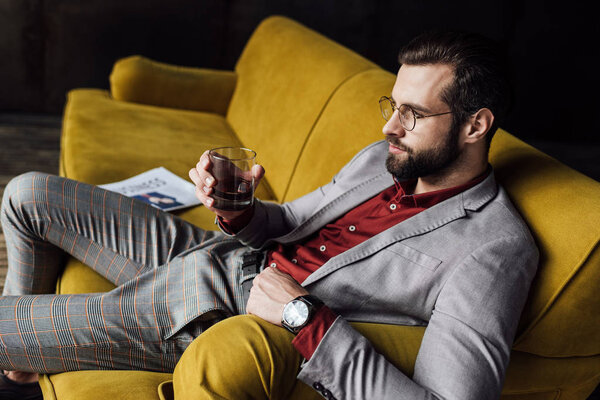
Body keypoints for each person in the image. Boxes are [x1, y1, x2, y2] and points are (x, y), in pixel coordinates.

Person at [0, 30, 538, 400]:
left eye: (413, 114)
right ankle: (25, 356)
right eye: (391, 105)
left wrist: (303, 316)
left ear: (475, 126)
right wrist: (238, 209)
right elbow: (286, 225)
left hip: (216, 314)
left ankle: (23, 343)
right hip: (215, 254)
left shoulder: (495, 248)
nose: (388, 128)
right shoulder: (383, 159)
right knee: (26, 195)